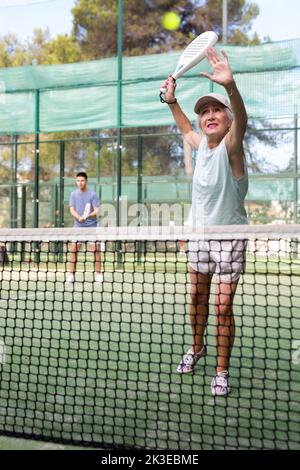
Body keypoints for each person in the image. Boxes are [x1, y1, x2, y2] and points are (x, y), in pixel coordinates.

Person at [161, 48, 248, 396]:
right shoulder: (201, 148)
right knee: (196, 296)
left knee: (222, 306)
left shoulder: (232, 148)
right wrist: (171, 101)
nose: (210, 115)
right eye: (205, 111)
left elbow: (242, 118)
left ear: (226, 119)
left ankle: (222, 370)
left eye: (216, 111)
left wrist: (231, 88)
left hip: (230, 237)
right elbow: (184, 125)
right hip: (199, 235)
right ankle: (197, 347)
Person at [66, 172, 103, 284]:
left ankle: (98, 274)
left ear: (86, 181)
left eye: (82, 180)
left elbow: (97, 210)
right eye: (78, 180)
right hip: (78, 227)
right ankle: (71, 275)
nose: (80, 183)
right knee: (74, 250)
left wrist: (87, 216)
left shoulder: (92, 194)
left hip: (92, 226)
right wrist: (78, 217)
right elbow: (72, 209)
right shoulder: (73, 194)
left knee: (95, 250)